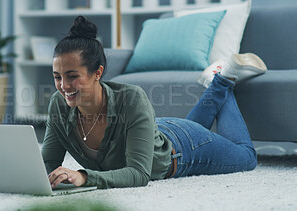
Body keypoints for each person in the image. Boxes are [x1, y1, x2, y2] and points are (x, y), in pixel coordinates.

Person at [42, 16, 267, 189]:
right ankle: (217, 82)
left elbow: (139, 174)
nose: (64, 86)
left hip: (182, 150)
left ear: (97, 73)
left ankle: (224, 78)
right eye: (57, 77)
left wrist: (83, 176)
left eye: (72, 76)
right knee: (191, 127)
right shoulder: (58, 105)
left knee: (247, 157)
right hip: (154, 130)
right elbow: (47, 163)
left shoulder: (131, 99)